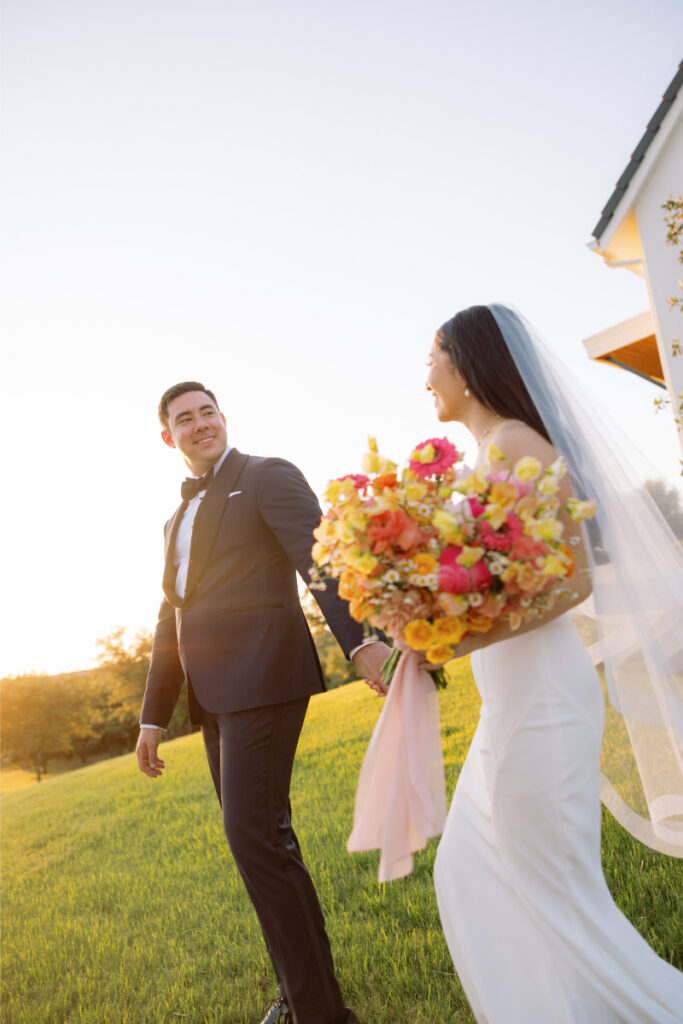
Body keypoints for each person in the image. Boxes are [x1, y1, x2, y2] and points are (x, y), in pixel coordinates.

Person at [421, 305, 683, 1023]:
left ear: (469, 364)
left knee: (551, 890)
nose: (426, 379)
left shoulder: (514, 444)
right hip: (515, 701)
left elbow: (571, 581)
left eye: (433, 358)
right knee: (472, 869)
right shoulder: (492, 452)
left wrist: (449, 639)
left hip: (539, 700)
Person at [135, 381, 391, 1024]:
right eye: (184, 420)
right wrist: (151, 716)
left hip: (266, 677)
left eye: (207, 413)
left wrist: (361, 641)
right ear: (168, 437)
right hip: (212, 699)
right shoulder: (174, 519)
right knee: (261, 844)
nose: (200, 425)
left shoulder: (266, 476)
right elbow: (173, 619)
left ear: (224, 418)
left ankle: (319, 1013)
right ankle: (299, 992)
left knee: (254, 837)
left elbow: (320, 560)